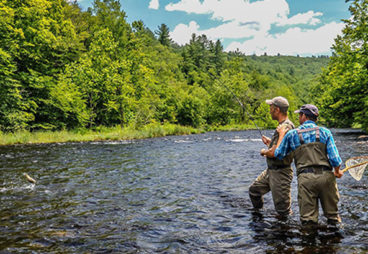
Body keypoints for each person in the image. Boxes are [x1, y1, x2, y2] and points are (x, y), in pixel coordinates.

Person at [271, 104, 343, 225]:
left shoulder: (292, 134)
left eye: (299, 115)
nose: (299, 118)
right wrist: (337, 171)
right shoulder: (325, 132)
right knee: (333, 217)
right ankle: (334, 241)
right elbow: (335, 159)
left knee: (308, 220)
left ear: (304, 116)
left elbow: (279, 154)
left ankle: (309, 243)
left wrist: (281, 135)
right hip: (326, 177)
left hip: (306, 179)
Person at [249, 96, 295, 217]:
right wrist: (270, 143)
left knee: (283, 211)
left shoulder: (286, 127)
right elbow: (280, 148)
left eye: (271, 108)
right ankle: (259, 218)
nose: (269, 111)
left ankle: (286, 231)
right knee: (254, 191)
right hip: (271, 171)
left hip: (281, 174)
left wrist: (264, 151)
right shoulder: (283, 126)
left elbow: (275, 153)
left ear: (277, 110)